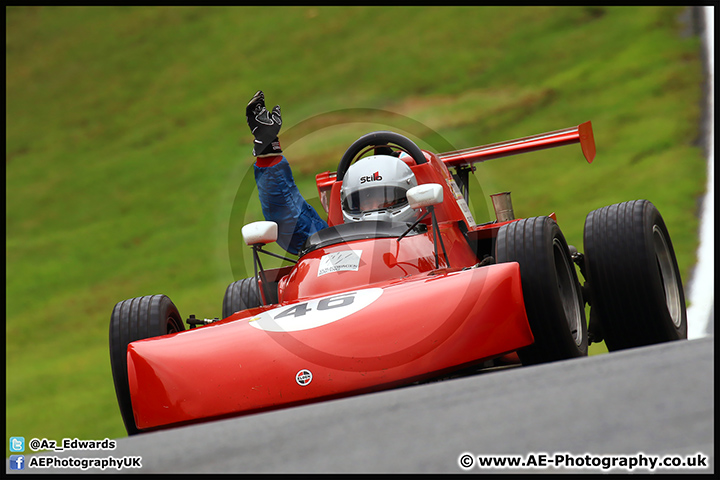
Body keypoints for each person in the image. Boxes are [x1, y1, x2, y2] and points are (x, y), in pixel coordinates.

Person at [246, 91, 420, 255]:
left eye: (385, 199)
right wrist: (268, 149)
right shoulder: (338, 248)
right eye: (365, 200)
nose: (373, 208)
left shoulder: (439, 237)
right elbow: (290, 220)